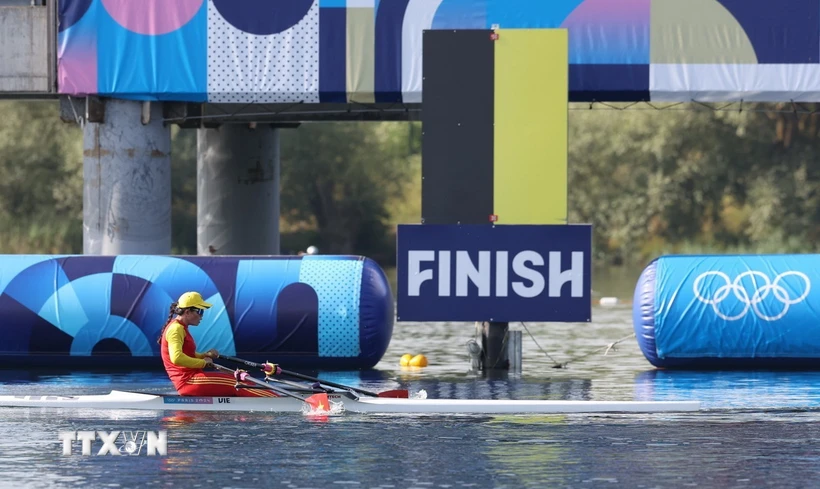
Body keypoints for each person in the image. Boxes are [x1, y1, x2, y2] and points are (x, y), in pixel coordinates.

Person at [158, 291, 276, 397]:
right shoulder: (176, 329)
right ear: (187, 312)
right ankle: (277, 400)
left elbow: (187, 353)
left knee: (241, 380)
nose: (201, 316)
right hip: (188, 381)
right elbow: (177, 358)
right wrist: (203, 362)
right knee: (236, 383)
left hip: (192, 378)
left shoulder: (180, 327)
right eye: (200, 311)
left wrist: (204, 355)